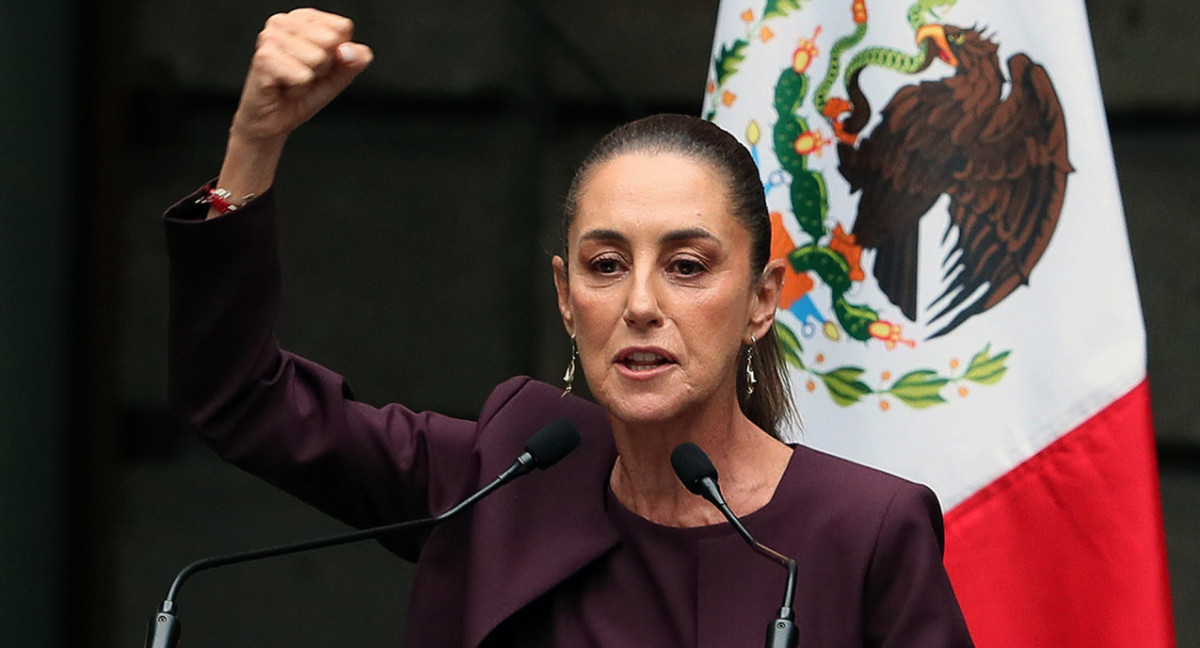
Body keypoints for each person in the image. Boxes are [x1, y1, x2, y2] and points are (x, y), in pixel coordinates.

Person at [165, 8, 975, 648]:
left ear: (761, 300)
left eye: (687, 266)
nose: (641, 305)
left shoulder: (867, 533)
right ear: (564, 294)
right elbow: (239, 398)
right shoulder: (505, 472)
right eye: (606, 264)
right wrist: (255, 142)